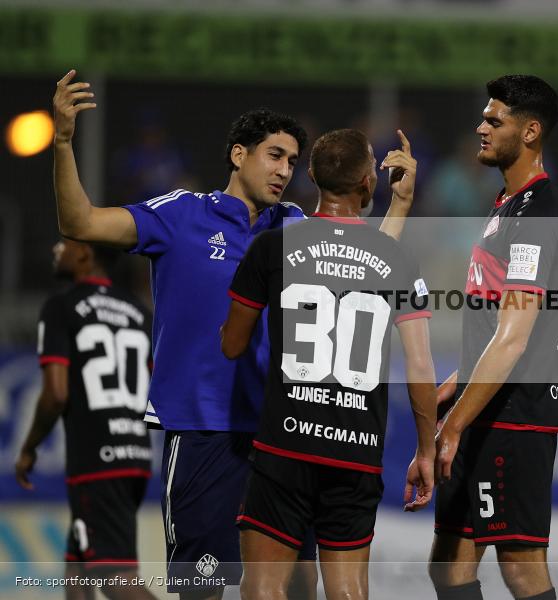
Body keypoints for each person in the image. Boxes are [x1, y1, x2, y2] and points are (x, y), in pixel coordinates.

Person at [50, 69, 417, 600]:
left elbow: (371, 270)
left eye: (293, 161)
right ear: (238, 154)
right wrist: (62, 141)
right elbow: (79, 222)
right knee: (203, 589)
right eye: (274, 155)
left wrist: (399, 207)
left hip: (286, 436)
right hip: (205, 433)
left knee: (298, 587)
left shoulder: (294, 227)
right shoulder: (180, 216)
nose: (285, 170)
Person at [220, 128, 436, 600]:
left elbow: (232, 346)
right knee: (347, 591)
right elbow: (421, 367)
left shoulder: (271, 248)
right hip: (356, 451)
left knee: (262, 589)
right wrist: (426, 451)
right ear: (367, 183)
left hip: (284, 446)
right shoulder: (399, 260)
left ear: (312, 175)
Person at [429, 75, 558, 600]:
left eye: (495, 120)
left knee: (521, 567)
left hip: (515, 414)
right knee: (449, 568)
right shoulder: (507, 206)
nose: (480, 128)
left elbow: (513, 340)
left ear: (530, 131)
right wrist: (454, 388)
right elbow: (494, 327)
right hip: (483, 405)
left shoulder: (537, 214)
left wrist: (452, 427)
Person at [16, 239, 155, 600]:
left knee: (115, 580)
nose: (55, 249)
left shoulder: (62, 307)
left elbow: (56, 394)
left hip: (96, 459)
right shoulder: (139, 313)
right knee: (77, 567)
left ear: (84, 253)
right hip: (135, 453)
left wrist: (29, 447)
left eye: (63, 243)